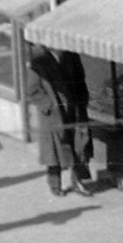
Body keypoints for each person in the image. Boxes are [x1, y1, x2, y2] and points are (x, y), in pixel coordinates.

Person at [27, 52, 93, 198]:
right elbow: (32, 90)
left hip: (73, 109)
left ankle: (79, 181)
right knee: (54, 150)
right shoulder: (38, 62)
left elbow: (80, 80)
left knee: (79, 145)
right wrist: (48, 105)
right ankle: (55, 184)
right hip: (53, 113)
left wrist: (82, 101)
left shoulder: (71, 56)